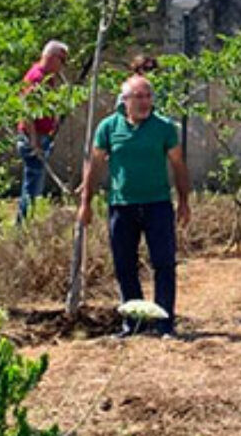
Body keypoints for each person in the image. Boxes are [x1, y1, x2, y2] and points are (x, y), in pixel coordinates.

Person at [78, 73, 192, 337]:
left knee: (164, 264)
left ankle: (165, 324)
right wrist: (86, 201)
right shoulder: (108, 127)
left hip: (158, 205)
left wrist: (184, 201)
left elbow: (178, 165)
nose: (144, 102)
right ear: (125, 100)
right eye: (138, 97)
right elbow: (94, 165)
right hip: (122, 206)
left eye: (148, 96)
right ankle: (134, 322)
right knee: (124, 265)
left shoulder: (164, 127)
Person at [17, 40, 68, 223]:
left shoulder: (49, 77)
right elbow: (28, 111)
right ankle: (22, 228)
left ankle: (26, 224)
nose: (63, 65)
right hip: (34, 137)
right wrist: (34, 141)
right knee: (32, 188)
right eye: (62, 60)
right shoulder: (37, 78)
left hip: (42, 136)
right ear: (51, 57)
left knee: (34, 187)